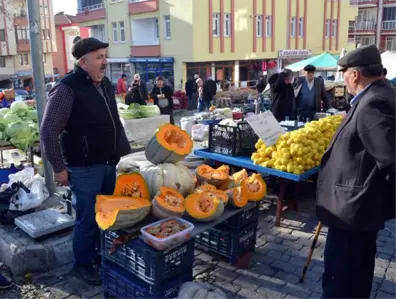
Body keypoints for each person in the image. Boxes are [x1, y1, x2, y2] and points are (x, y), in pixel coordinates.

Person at [40, 38, 130, 286]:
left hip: (108, 162)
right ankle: (82, 264)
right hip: (84, 167)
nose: (105, 62)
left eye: (105, 56)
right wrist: (58, 168)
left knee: (107, 216)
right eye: (100, 57)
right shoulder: (67, 88)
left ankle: (99, 255)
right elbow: (48, 131)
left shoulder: (105, 84)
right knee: (88, 218)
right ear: (84, 61)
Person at [316, 45, 396, 299]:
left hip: (353, 212)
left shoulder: (374, 104)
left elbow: (391, 160)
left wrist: (383, 201)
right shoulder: (378, 95)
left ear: (355, 75)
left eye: (345, 73)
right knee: (356, 275)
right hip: (357, 210)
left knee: (341, 281)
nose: (344, 78)